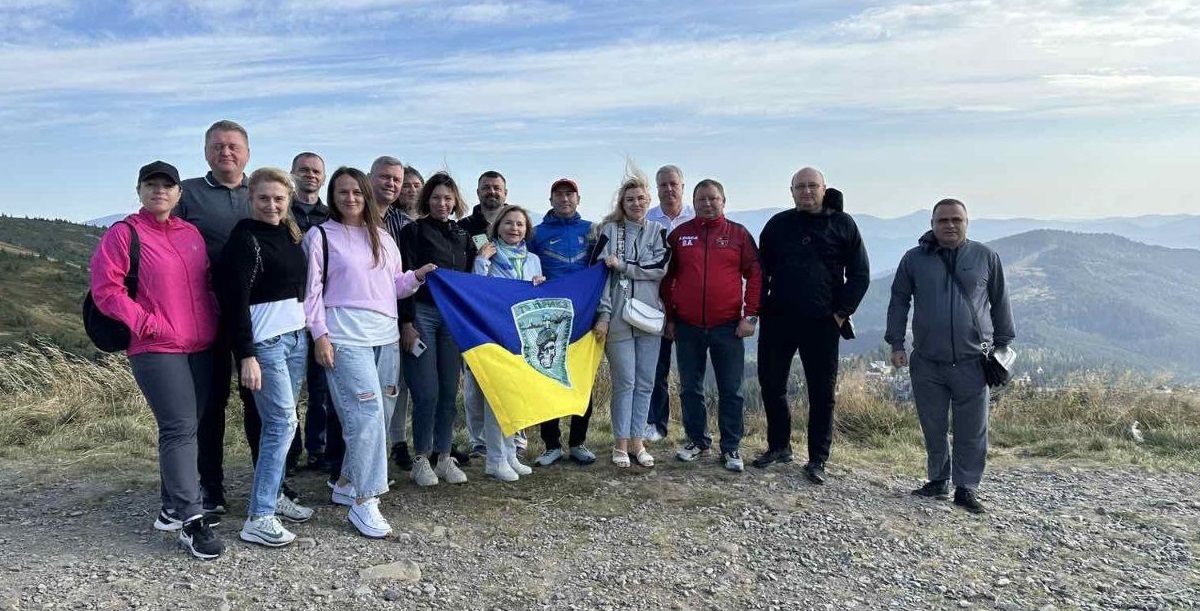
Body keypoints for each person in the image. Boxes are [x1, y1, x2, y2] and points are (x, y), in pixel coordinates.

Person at [90, 160, 224, 559]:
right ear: (139, 190)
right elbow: (106, 290)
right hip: (156, 347)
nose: (159, 191)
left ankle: (170, 507)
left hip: (200, 344)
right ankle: (191, 520)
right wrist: (145, 324)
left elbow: (205, 284)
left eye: (167, 185)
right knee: (178, 427)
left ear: (179, 194)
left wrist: (215, 320)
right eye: (151, 184)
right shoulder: (124, 233)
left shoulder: (190, 234)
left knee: (191, 426)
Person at [303, 166, 434, 538]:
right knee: (366, 413)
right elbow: (311, 292)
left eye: (357, 192)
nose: (351, 198)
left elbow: (394, 286)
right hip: (345, 337)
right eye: (343, 192)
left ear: (365, 195)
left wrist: (416, 278)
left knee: (381, 412)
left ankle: (347, 480)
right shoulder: (320, 236)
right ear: (333, 196)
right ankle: (366, 500)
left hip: (385, 336)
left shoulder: (384, 237)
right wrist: (320, 336)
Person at [885, 198, 1015, 514]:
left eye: (957, 219)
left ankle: (966, 488)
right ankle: (938, 480)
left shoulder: (986, 257)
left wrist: (1003, 344)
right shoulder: (913, 259)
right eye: (943, 220)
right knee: (933, 425)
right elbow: (899, 300)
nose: (950, 225)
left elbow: (1000, 302)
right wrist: (896, 343)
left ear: (967, 222)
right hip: (927, 360)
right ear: (932, 224)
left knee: (973, 429)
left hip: (973, 361)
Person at [215, 167, 316, 547]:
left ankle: (273, 496)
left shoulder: (289, 235)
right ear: (250, 198)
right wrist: (246, 355)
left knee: (285, 421)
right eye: (263, 198)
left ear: (288, 200)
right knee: (280, 424)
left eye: (278, 198)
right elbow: (234, 303)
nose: (271, 205)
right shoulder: (244, 240)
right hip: (266, 344)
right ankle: (259, 516)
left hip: (295, 339)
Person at [753, 167, 870, 485]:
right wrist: (758, 309)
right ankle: (779, 446)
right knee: (772, 385)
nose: (806, 191)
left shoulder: (843, 224)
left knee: (821, 394)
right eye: (800, 186)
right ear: (791, 191)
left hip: (823, 322)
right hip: (778, 319)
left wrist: (841, 314)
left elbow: (859, 274)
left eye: (812, 186)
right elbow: (760, 272)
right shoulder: (778, 224)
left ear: (823, 188)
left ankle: (818, 458)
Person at [175, 119, 252, 516]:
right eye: (218, 146)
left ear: (247, 153)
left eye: (233, 146)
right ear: (206, 152)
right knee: (211, 402)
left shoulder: (261, 191)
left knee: (260, 400)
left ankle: (272, 481)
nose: (226, 152)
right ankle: (211, 486)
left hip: (257, 315)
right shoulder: (186, 193)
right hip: (207, 314)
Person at [662, 179, 761, 472]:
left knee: (731, 389)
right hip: (687, 325)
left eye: (713, 198)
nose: (707, 203)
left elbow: (755, 275)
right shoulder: (680, 235)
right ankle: (697, 441)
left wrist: (751, 315)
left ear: (723, 201)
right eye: (701, 199)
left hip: (728, 326)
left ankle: (730, 447)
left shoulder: (738, 235)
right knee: (690, 388)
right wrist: (670, 317)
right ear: (693, 203)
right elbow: (667, 279)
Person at [399, 172, 477, 486]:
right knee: (427, 392)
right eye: (435, 197)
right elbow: (404, 278)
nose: (442, 203)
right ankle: (421, 458)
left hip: (452, 319)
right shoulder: (413, 231)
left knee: (448, 392)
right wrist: (406, 323)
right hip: (422, 314)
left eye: (447, 198)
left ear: (455, 201)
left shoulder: (463, 236)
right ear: (426, 200)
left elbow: (473, 278)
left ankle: (444, 457)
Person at [592, 173, 670, 468]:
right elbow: (600, 276)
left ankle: (638, 441)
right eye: (630, 200)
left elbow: (660, 267)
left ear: (649, 201)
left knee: (646, 382)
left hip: (650, 316)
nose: (636, 203)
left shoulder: (659, 231)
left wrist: (624, 265)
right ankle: (620, 443)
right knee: (625, 382)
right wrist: (603, 315)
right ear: (622, 204)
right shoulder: (609, 231)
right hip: (617, 317)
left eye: (640, 199)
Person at [471, 204, 545, 480]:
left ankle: (510, 453)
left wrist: (540, 283)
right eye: (509, 223)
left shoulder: (533, 259)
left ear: (527, 229)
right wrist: (481, 262)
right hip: (494, 334)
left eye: (520, 224)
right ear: (498, 226)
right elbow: (476, 290)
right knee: (497, 398)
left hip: (522, 336)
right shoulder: (487, 254)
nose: (514, 228)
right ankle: (495, 459)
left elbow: (536, 298)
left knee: (514, 397)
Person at [528, 178, 597, 466]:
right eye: (559, 194)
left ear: (578, 199)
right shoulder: (537, 233)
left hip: (584, 317)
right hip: (550, 319)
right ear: (551, 200)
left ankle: (578, 443)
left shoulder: (592, 230)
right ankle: (551, 445)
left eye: (570, 194)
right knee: (549, 377)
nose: (564, 198)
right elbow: (526, 266)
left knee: (582, 380)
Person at [369, 156, 418, 471]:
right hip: (357, 317)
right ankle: (345, 460)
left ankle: (392, 445)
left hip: (396, 311)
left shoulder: (404, 224)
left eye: (396, 180)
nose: (392, 184)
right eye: (384, 177)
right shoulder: (354, 216)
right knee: (362, 391)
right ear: (370, 177)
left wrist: (407, 320)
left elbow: (407, 273)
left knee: (392, 385)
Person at [288, 153, 334, 473]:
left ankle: (318, 448)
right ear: (292, 174)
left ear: (323, 177)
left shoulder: (331, 216)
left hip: (321, 309)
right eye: (303, 170)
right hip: (287, 307)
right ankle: (290, 453)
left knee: (320, 388)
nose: (310, 175)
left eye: (316, 171)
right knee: (289, 388)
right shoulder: (281, 210)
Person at [460, 171, 510, 459]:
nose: (492, 192)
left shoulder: (515, 222)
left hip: (508, 315)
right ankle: (478, 440)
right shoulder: (465, 227)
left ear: (505, 192)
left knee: (512, 376)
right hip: (476, 314)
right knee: (475, 380)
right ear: (478, 192)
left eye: (497, 188)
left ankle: (515, 438)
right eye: (486, 187)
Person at [644, 164, 694, 442]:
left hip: (688, 303)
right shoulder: (648, 219)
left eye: (673, 184)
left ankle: (694, 430)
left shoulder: (696, 215)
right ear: (657, 189)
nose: (669, 189)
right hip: (656, 302)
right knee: (657, 369)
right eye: (663, 184)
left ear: (682, 187)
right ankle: (656, 424)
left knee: (690, 373)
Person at [387, 164, 425, 470]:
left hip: (428, 307)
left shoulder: (431, 221)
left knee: (423, 382)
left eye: (416, 185)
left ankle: (429, 442)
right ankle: (397, 442)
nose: (411, 190)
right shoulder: (388, 220)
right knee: (396, 382)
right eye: (406, 185)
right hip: (397, 304)